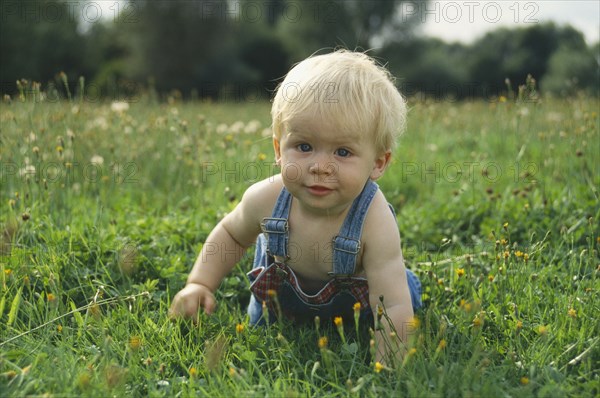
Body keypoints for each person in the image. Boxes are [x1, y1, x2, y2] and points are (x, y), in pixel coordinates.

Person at [169, 49, 422, 363]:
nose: (319, 166)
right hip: (279, 302)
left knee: (403, 296)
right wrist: (200, 283)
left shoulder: (374, 219)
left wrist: (392, 365)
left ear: (378, 163)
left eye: (342, 152)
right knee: (260, 336)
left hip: (359, 307)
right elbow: (232, 235)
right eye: (304, 147)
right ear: (278, 148)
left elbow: (391, 303)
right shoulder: (266, 198)